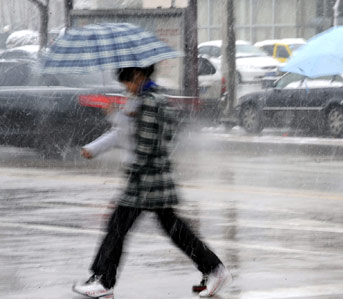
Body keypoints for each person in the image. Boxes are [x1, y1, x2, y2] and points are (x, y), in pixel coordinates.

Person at [73, 65, 232, 298]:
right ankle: (214, 269)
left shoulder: (148, 103)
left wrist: (132, 169)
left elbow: (146, 146)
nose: (126, 87)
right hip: (154, 178)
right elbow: (136, 133)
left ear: (138, 76)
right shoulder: (151, 99)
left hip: (145, 179)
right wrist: (120, 115)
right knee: (174, 230)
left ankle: (104, 281)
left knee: (118, 227)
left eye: (127, 82)